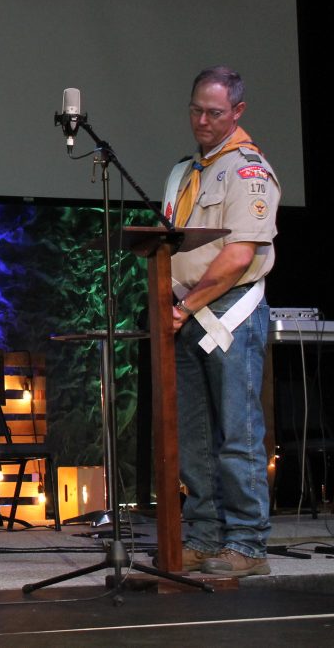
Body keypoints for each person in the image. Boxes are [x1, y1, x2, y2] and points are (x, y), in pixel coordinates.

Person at [164, 67, 280, 578]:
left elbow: (237, 257)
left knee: (237, 433)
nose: (202, 121)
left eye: (214, 112)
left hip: (228, 312)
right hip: (186, 312)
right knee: (195, 440)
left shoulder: (247, 170)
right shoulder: (189, 171)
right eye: (196, 110)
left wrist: (186, 308)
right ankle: (207, 537)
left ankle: (249, 544)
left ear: (237, 112)